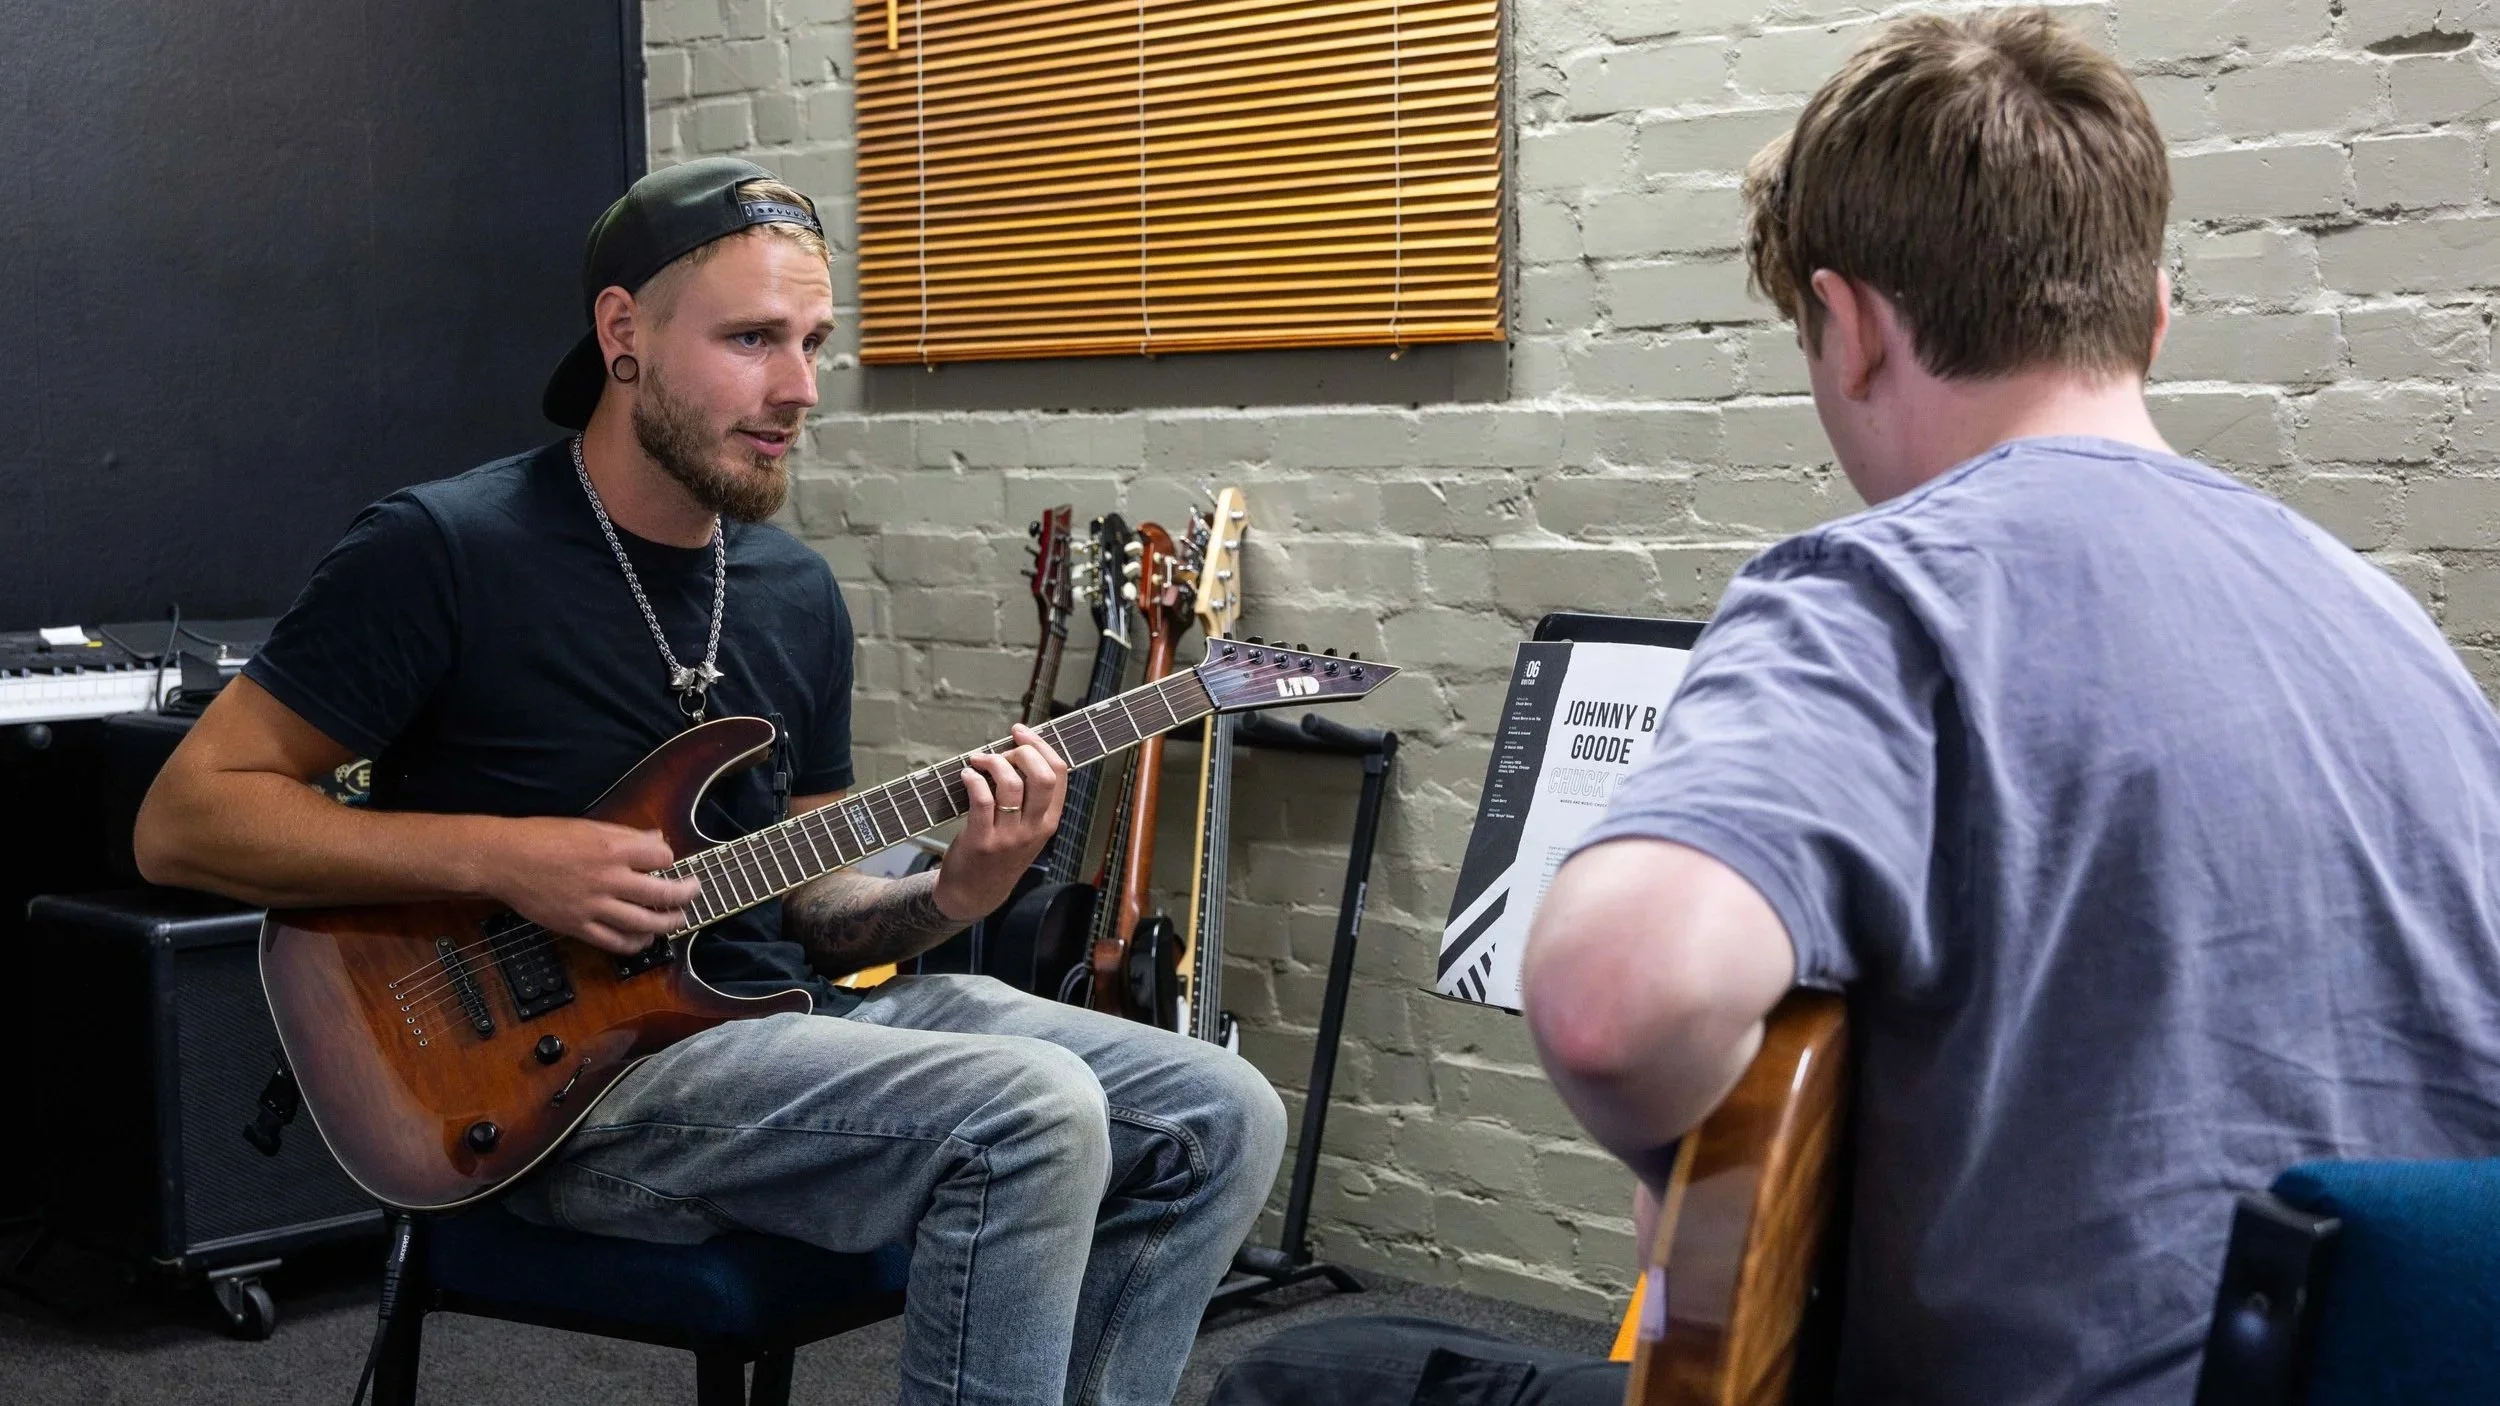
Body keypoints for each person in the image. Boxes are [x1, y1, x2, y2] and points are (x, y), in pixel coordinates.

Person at [133, 157, 1285, 1406]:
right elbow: (186, 818)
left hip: (781, 1026)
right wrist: (508, 856)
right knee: (1033, 1106)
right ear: (622, 333)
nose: (799, 388)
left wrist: (955, 891)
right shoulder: (443, 548)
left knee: (1223, 1110)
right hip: (573, 1088)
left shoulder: (795, 592)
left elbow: (817, 909)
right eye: (751, 339)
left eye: (813, 342)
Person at [1522, 10, 2500, 1405]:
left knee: (1322, 1367)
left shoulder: (1879, 591)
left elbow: (1614, 1001)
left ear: (1853, 329)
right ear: (2151, 315)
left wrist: (1707, 1178)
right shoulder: (2393, 626)